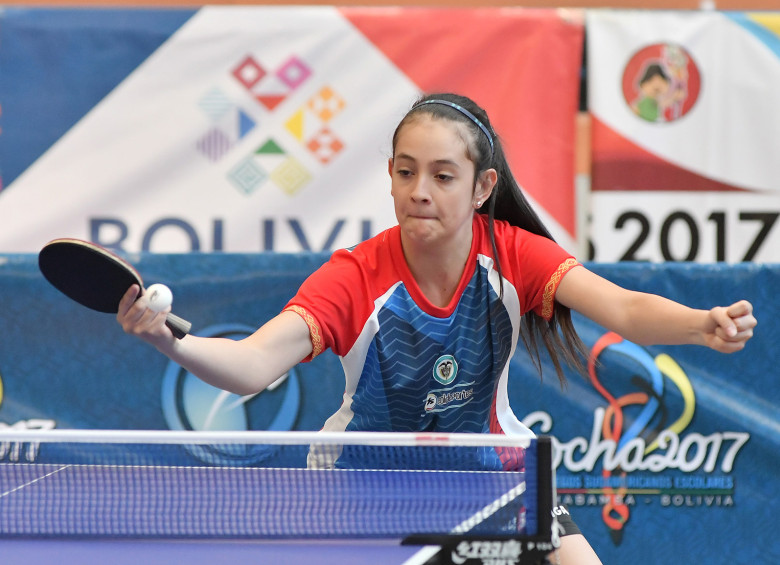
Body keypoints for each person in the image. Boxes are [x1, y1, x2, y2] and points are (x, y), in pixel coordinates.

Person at [117, 92, 756, 564]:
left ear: (482, 187)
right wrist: (166, 337)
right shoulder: (355, 277)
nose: (419, 190)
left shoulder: (511, 256)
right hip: (362, 488)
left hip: (491, 474)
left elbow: (625, 310)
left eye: (442, 176)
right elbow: (254, 365)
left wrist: (701, 324)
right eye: (404, 171)